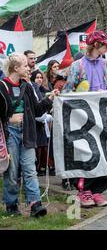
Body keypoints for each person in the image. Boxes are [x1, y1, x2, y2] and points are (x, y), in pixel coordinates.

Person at [63, 30, 107, 207]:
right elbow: (67, 90)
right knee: (87, 152)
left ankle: (97, 191)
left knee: (102, 151)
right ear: (96, 45)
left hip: (102, 117)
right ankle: (83, 190)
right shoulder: (77, 66)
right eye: (104, 45)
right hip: (82, 119)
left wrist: (104, 93)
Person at [0, 53, 59, 217]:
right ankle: (11, 204)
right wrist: (7, 117)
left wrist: (50, 98)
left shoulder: (27, 86)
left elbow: (38, 110)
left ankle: (35, 203)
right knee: (11, 171)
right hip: (9, 133)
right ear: (16, 68)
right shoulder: (1, 86)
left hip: (27, 132)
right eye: (25, 65)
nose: (29, 68)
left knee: (30, 169)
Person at [30, 70, 54, 177]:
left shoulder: (41, 90)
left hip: (42, 125)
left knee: (42, 147)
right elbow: (37, 110)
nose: (39, 79)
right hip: (36, 125)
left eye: (40, 77)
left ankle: (41, 168)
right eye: (37, 77)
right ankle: (37, 168)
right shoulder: (33, 90)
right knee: (37, 149)